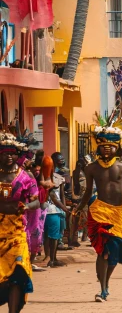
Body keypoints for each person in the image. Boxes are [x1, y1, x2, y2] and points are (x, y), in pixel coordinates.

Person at [74, 126, 122, 303]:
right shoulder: (91, 168)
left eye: (110, 145)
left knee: (116, 253)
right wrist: (79, 207)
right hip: (99, 212)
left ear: (117, 147)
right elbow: (88, 191)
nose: (106, 148)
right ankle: (103, 289)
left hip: (118, 213)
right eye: (103, 144)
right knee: (102, 251)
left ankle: (105, 280)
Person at [0, 133, 40, 312]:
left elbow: (37, 201)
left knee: (18, 271)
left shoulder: (26, 176)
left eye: (12, 153)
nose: (9, 156)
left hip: (17, 231)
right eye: (4, 153)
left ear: (18, 154)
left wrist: (26, 206)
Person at [42, 156, 69, 268]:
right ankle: (51, 259)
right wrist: (65, 208)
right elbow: (54, 197)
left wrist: (63, 209)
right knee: (52, 237)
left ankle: (52, 258)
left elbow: (61, 195)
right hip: (51, 211)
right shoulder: (43, 180)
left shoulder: (58, 178)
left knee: (52, 236)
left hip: (54, 211)